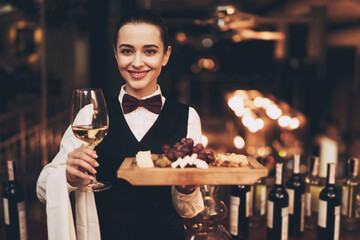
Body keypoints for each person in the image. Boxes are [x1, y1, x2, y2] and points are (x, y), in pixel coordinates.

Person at [36, 9, 204, 240]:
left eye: (150, 51)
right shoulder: (90, 114)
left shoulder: (188, 117)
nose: (137, 62)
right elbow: (43, 189)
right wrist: (67, 176)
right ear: (115, 54)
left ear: (165, 56)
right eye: (127, 51)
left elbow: (189, 210)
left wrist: (188, 188)